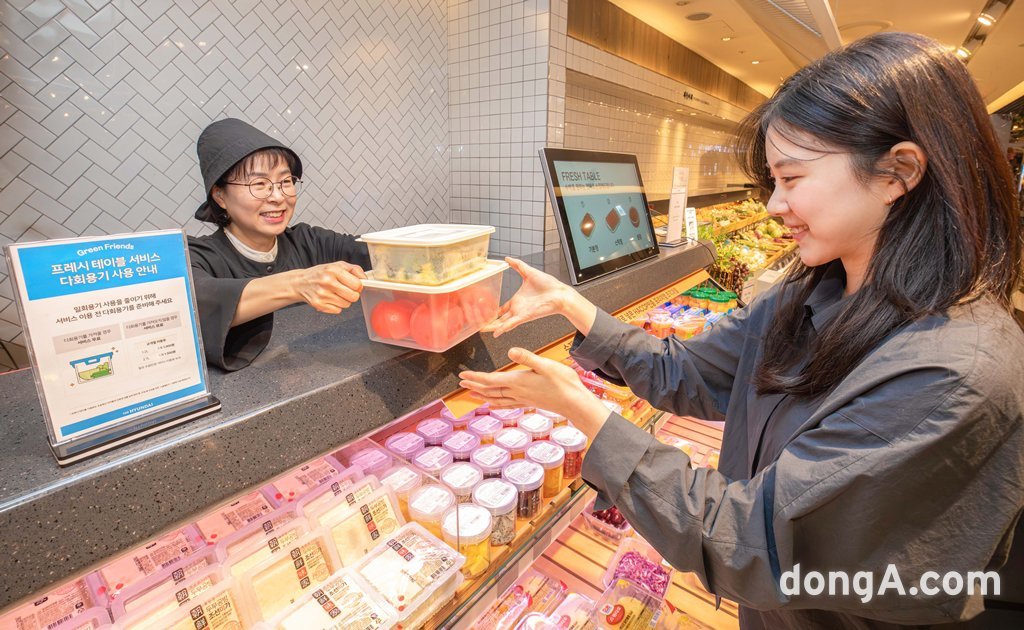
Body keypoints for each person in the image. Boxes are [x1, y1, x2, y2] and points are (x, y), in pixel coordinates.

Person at [460, 33, 1023, 628]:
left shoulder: (950, 374)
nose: (774, 205)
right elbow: (691, 372)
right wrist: (573, 306)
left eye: (792, 178)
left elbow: (757, 542)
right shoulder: (812, 291)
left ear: (897, 172)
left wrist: (584, 411)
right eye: (773, 182)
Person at [188, 118, 371, 371]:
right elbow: (194, 303)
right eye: (259, 184)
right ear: (220, 196)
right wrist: (298, 284)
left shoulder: (308, 241)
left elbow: (373, 252)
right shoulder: (199, 256)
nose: (278, 196)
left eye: (285, 182)